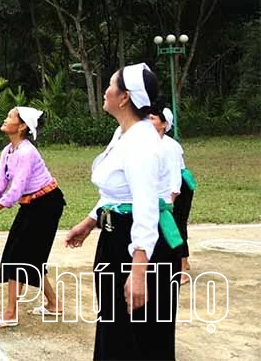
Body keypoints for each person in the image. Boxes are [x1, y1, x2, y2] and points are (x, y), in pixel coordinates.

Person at [65, 63, 182, 360]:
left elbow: (144, 205)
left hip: (137, 246)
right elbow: (116, 192)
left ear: (124, 97)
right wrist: (90, 221)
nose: (105, 91)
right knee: (115, 328)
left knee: (140, 336)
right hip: (115, 238)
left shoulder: (141, 141)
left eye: (110, 86)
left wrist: (139, 269)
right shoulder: (124, 133)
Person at [0, 106, 66, 328]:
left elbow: (13, 195)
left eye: (10, 117)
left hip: (47, 204)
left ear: (22, 126)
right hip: (33, 205)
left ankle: (10, 313)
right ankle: (54, 304)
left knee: (18, 255)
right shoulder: (8, 150)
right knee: (27, 255)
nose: (5, 119)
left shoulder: (27, 152)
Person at [149, 105, 195, 284]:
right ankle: (179, 260)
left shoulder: (171, 146)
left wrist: (171, 200)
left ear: (164, 124)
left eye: (153, 119)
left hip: (179, 188)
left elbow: (175, 177)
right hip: (163, 189)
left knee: (175, 225)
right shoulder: (150, 143)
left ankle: (182, 269)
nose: (149, 122)